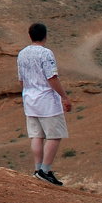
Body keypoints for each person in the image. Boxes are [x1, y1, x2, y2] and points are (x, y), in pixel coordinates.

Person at [17, 22, 73, 186]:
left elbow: (21, 79)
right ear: (45, 35)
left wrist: (26, 93)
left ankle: (37, 169)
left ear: (30, 35)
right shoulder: (46, 53)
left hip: (29, 98)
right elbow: (52, 77)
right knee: (54, 135)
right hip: (46, 99)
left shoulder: (22, 54)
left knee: (37, 135)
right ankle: (45, 170)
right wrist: (64, 97)